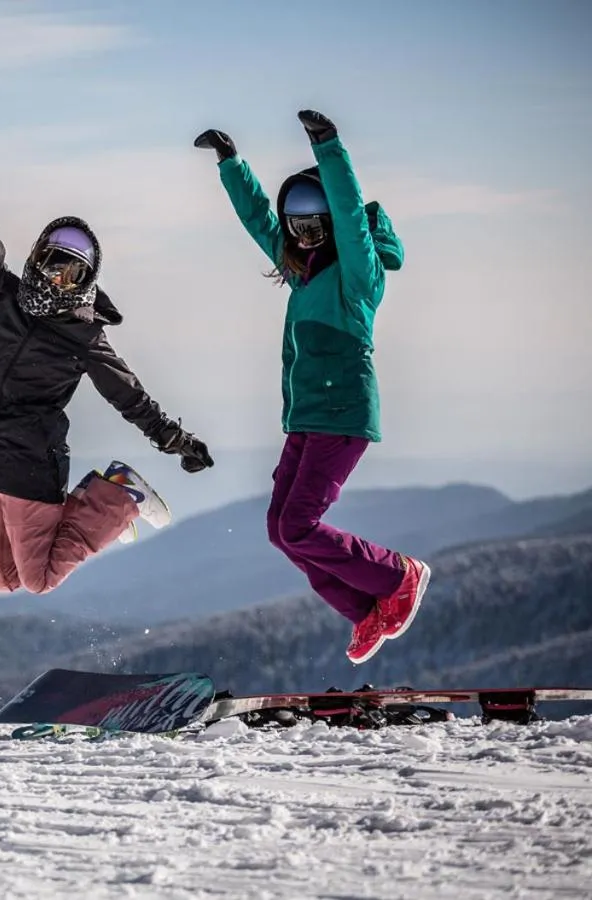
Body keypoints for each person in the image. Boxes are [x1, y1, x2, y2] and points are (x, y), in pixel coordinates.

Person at [0, 116, 214, 596]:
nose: (57, 280)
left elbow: (129, 395)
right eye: (53, 266)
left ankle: (118, 495)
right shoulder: (6, 297)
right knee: (4, 578)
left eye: (72, 274)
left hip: (31, 466)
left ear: (86, 282)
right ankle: (91, 503)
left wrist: (175, 440)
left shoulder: (82, 337)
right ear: (37, 257)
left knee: (38, 580)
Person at [194, 109, 429, 664]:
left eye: (311, 219)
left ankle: (398, 575)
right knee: (281, 528)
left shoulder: (356, 279)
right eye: (293, 221)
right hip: (307, 416)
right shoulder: (302, 272)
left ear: (328, 218)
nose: (300, 231)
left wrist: (328, 146)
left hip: (342, 416)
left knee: (299, 525)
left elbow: (351, 216)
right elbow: (259, 222)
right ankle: (367, 611)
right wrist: (231, 164)